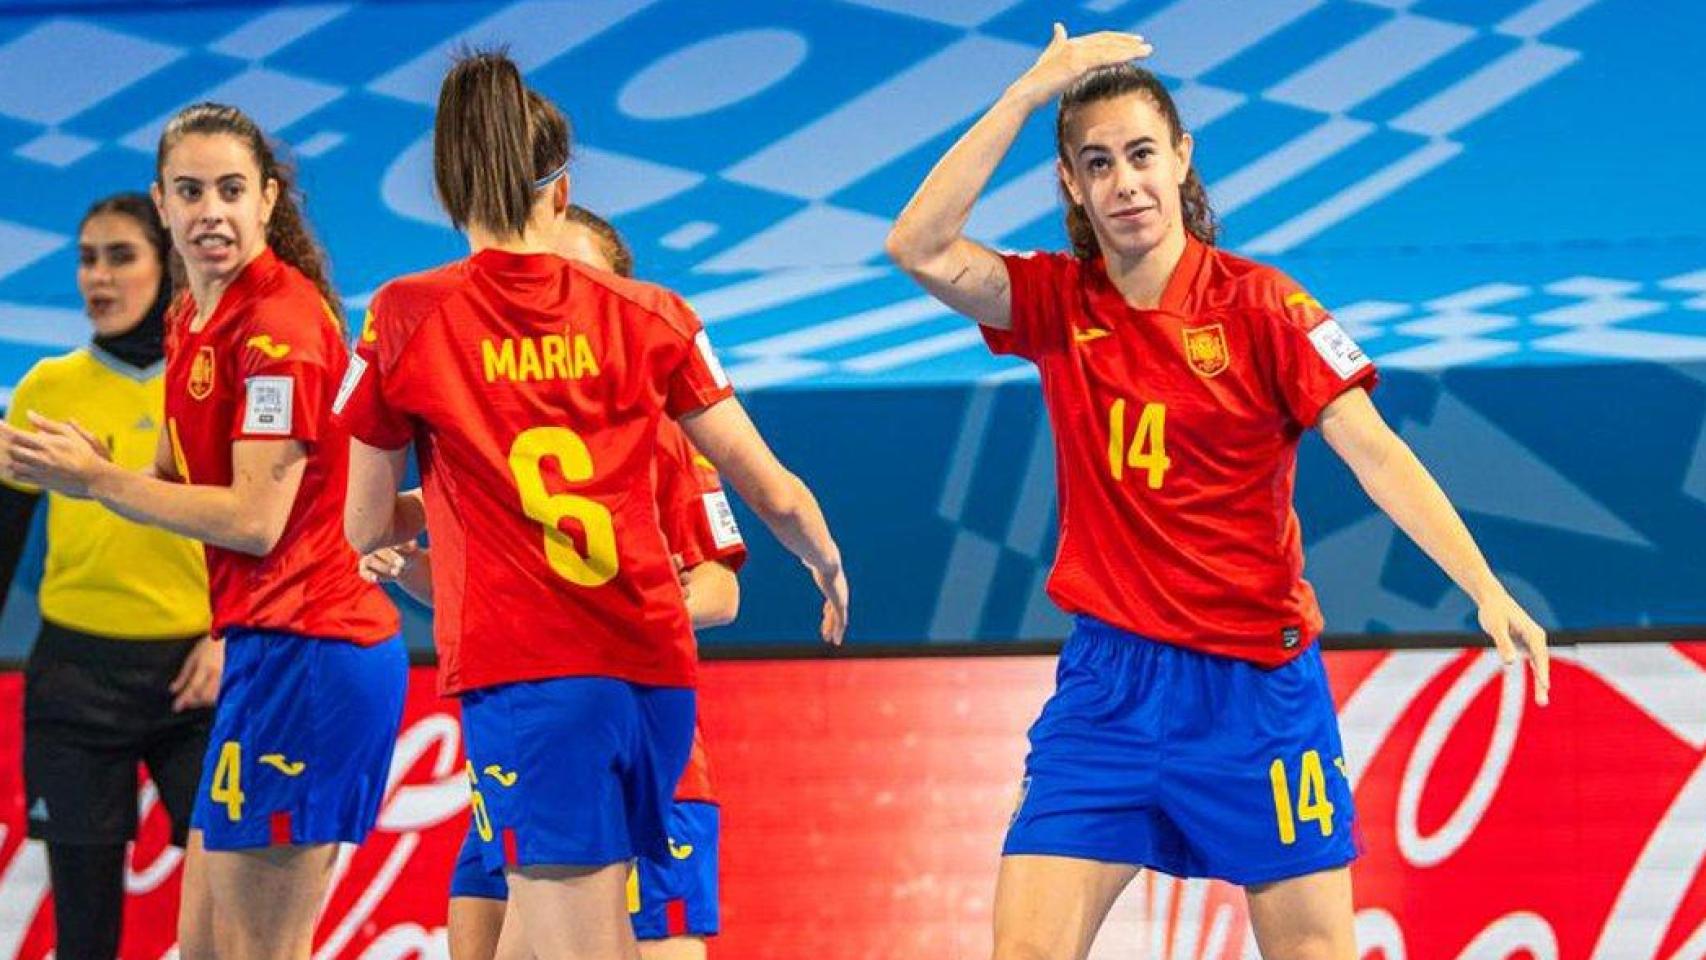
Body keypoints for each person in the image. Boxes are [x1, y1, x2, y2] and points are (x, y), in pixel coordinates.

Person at [884, 26, 1550, 960]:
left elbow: (1378, 453)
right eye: (1098, 163)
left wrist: (1483, 584)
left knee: (1314, 950)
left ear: (1182, 159)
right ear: (1072, 184)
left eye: (1143, 155)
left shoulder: (1267, 307)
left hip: (1257, 690)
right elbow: (916, 245)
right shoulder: (1057, 302)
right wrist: (1028, 93)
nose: (1126, 183)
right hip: (1108, 688)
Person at [337, 54, 846, 960]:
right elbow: (771, 486)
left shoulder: (406, 317)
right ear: (562, 191)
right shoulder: (652, 310)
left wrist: (428, 509)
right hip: (652, 683)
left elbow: (361, 527)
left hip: (531, 678)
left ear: (449, 189)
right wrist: (824, 560)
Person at [0, 102, 406, 960]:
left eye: (230, 189)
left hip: (315, 652)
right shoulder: (194, 315)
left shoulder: (282, 327)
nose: (209, 211)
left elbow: (255, 520)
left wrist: (98, 483)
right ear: (163, 201)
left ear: (266, 201)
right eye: (189, 191)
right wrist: (82, 463)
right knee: (209, 952)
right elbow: (176, 481)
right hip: (262, 652)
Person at [358, 206, 741, 960]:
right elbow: (490, 599)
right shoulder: (474, 438)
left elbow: (721, 592)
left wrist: (624, 617)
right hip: (518, 738)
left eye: (572, 273)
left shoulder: (661, 433)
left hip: (624, 743)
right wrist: (411, 565)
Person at [0, 193, 213, 960]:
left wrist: (227, 636)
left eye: (121, 254)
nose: (98, 275)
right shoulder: (45, 390)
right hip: (75, 677)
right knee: (84, 933)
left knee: (235, 913)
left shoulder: (208, 381)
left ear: (168, 265)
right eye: (87, 257)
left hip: (200, 678)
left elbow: (270, 530)